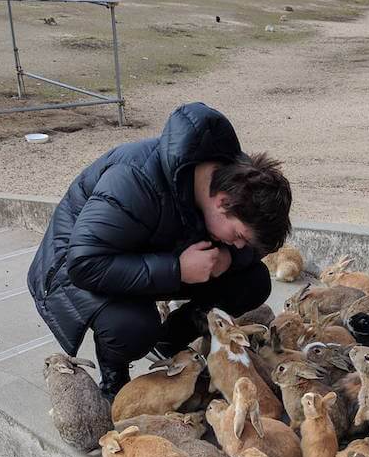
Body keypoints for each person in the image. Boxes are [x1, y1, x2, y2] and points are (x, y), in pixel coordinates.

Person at [27, 103, 291, 397]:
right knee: (134, 326)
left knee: (253, 281)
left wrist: (230, 256)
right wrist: (177, 269)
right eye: (240, 236)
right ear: (222, 203)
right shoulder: (134, 180)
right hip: (76, 264)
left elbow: (249, 249)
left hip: (153, 255)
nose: (241, 245)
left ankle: (169, 340)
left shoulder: (236, 177)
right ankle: (114, 377)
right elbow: (84, 264)